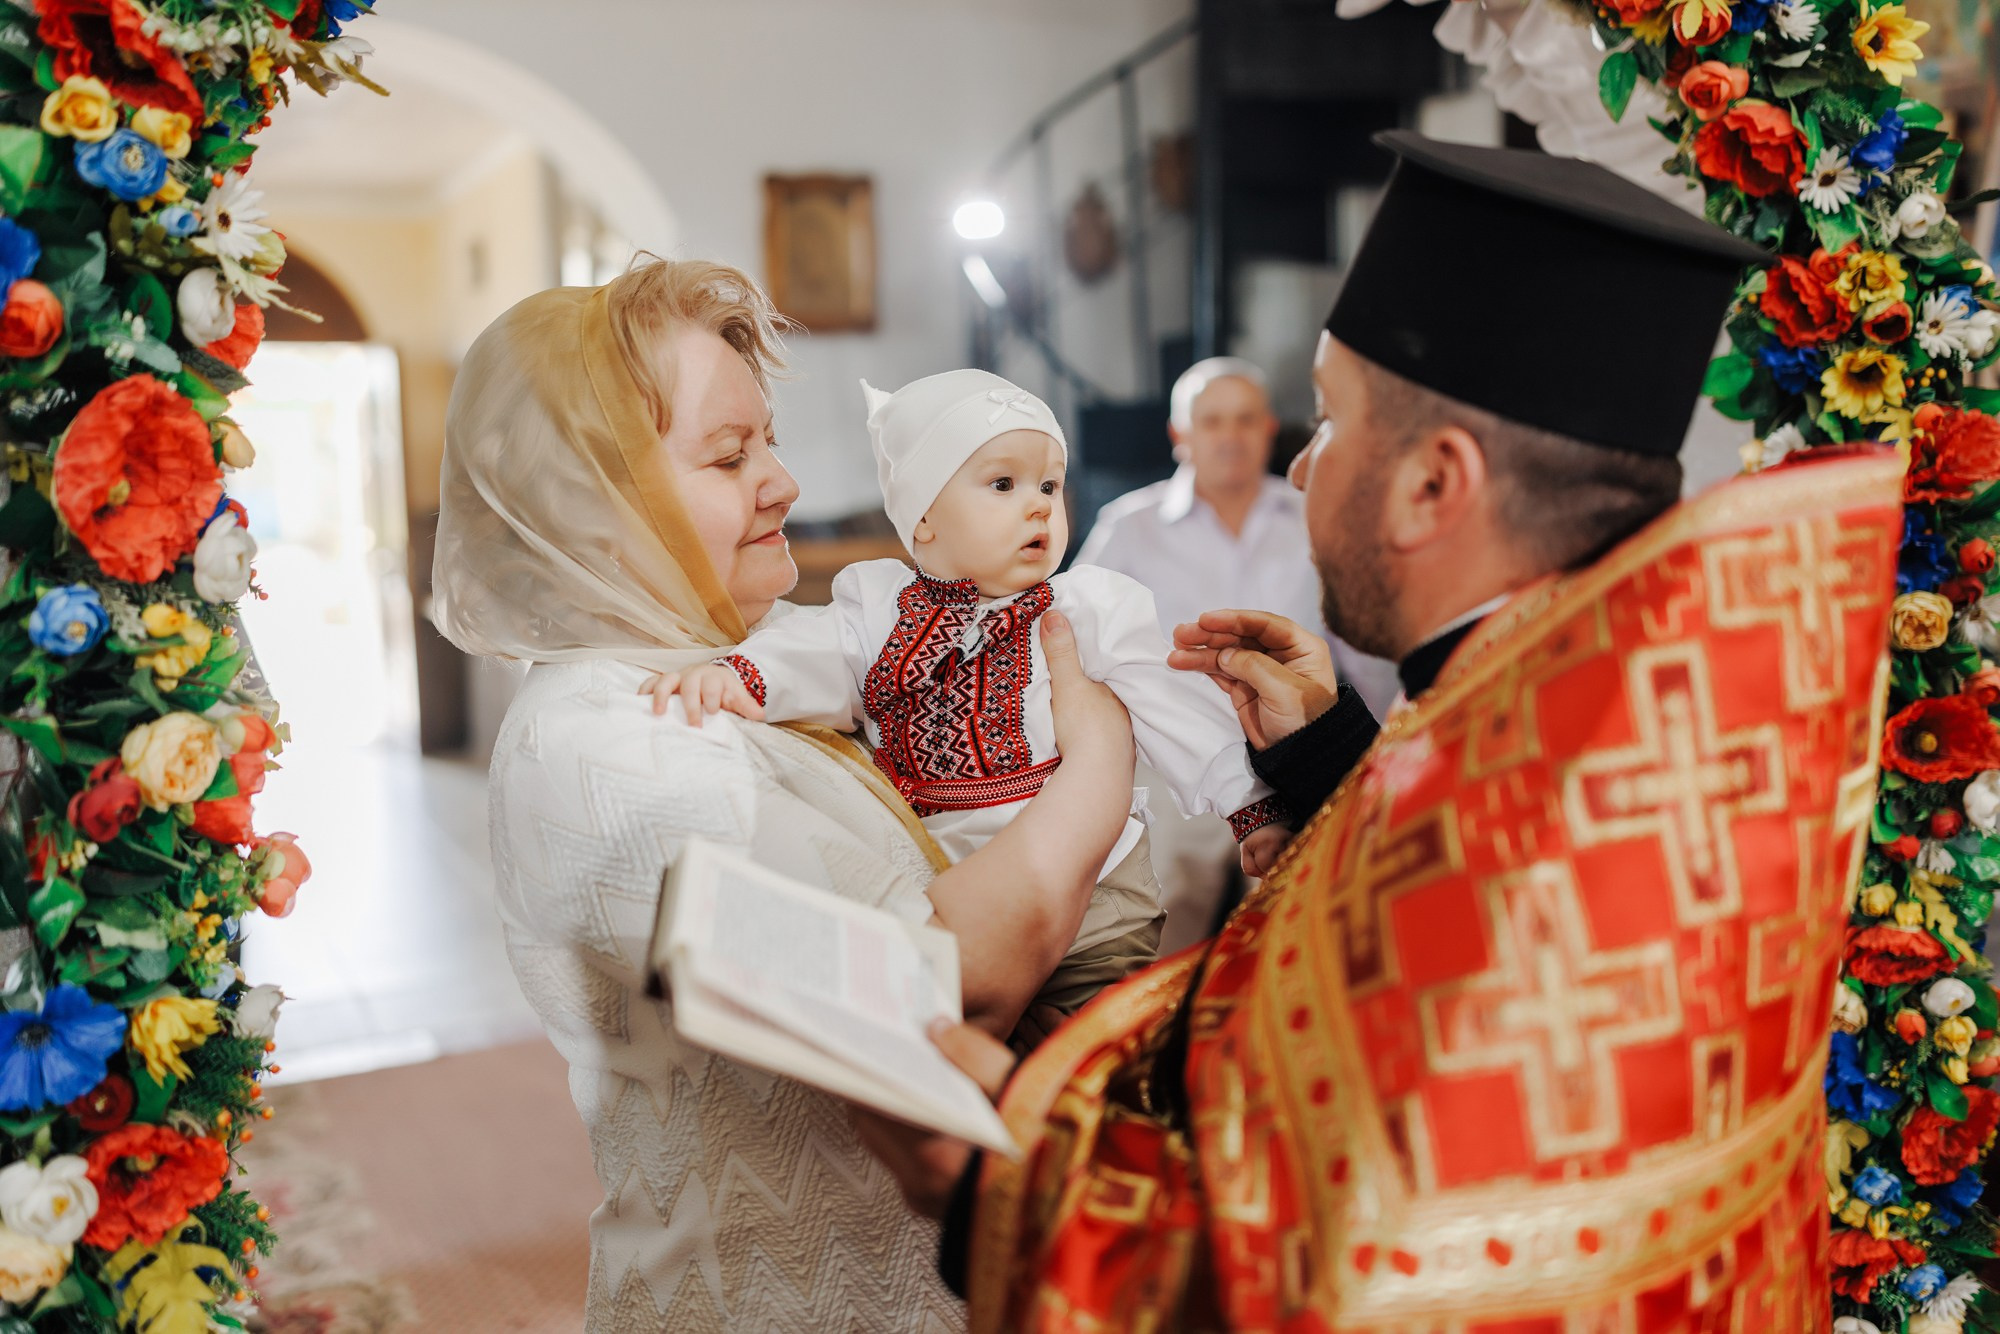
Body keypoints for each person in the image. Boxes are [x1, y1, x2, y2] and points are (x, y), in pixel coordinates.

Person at [855, 131, 1903, 1329]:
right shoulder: (1596, 699)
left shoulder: (1558, 834)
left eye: (1325, 419)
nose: (1301, 468)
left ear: (1431, 485)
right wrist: (1324, 757)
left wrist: (995, 1185)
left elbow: (1376, 1283)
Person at [430, 259, 1143, 1331]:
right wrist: (1099, 760)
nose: (783, 482)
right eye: (729, 455)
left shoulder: (733, 656)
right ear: (590, 504)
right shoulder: (598, 753)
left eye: (767, 441)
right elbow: (931, 993)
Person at [653, 369, 1293, 1014]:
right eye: (1003, 484)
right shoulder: (877, 608)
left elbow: (1173, 703)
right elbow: (808, 652)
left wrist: (1251, 803)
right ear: (925, 518)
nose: (1039, 505)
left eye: (1049, 486)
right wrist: (738, 676)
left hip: (1095, 895)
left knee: (1088, 1031)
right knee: (963, 1025)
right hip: (946, 877)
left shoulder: (1085, 607)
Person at [1074, 356, 1398, 954]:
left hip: (1301, 755)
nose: (1230, 436)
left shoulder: (1313, 514)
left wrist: (1378, 750)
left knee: (1302, 931)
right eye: (1212, 421)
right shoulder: (1128, 527)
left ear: (1269, 428)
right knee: (1162, 935)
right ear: (1180, 434)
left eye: (1246, 419)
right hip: (1175, 773)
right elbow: (1074, 646)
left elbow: (1358, 645)